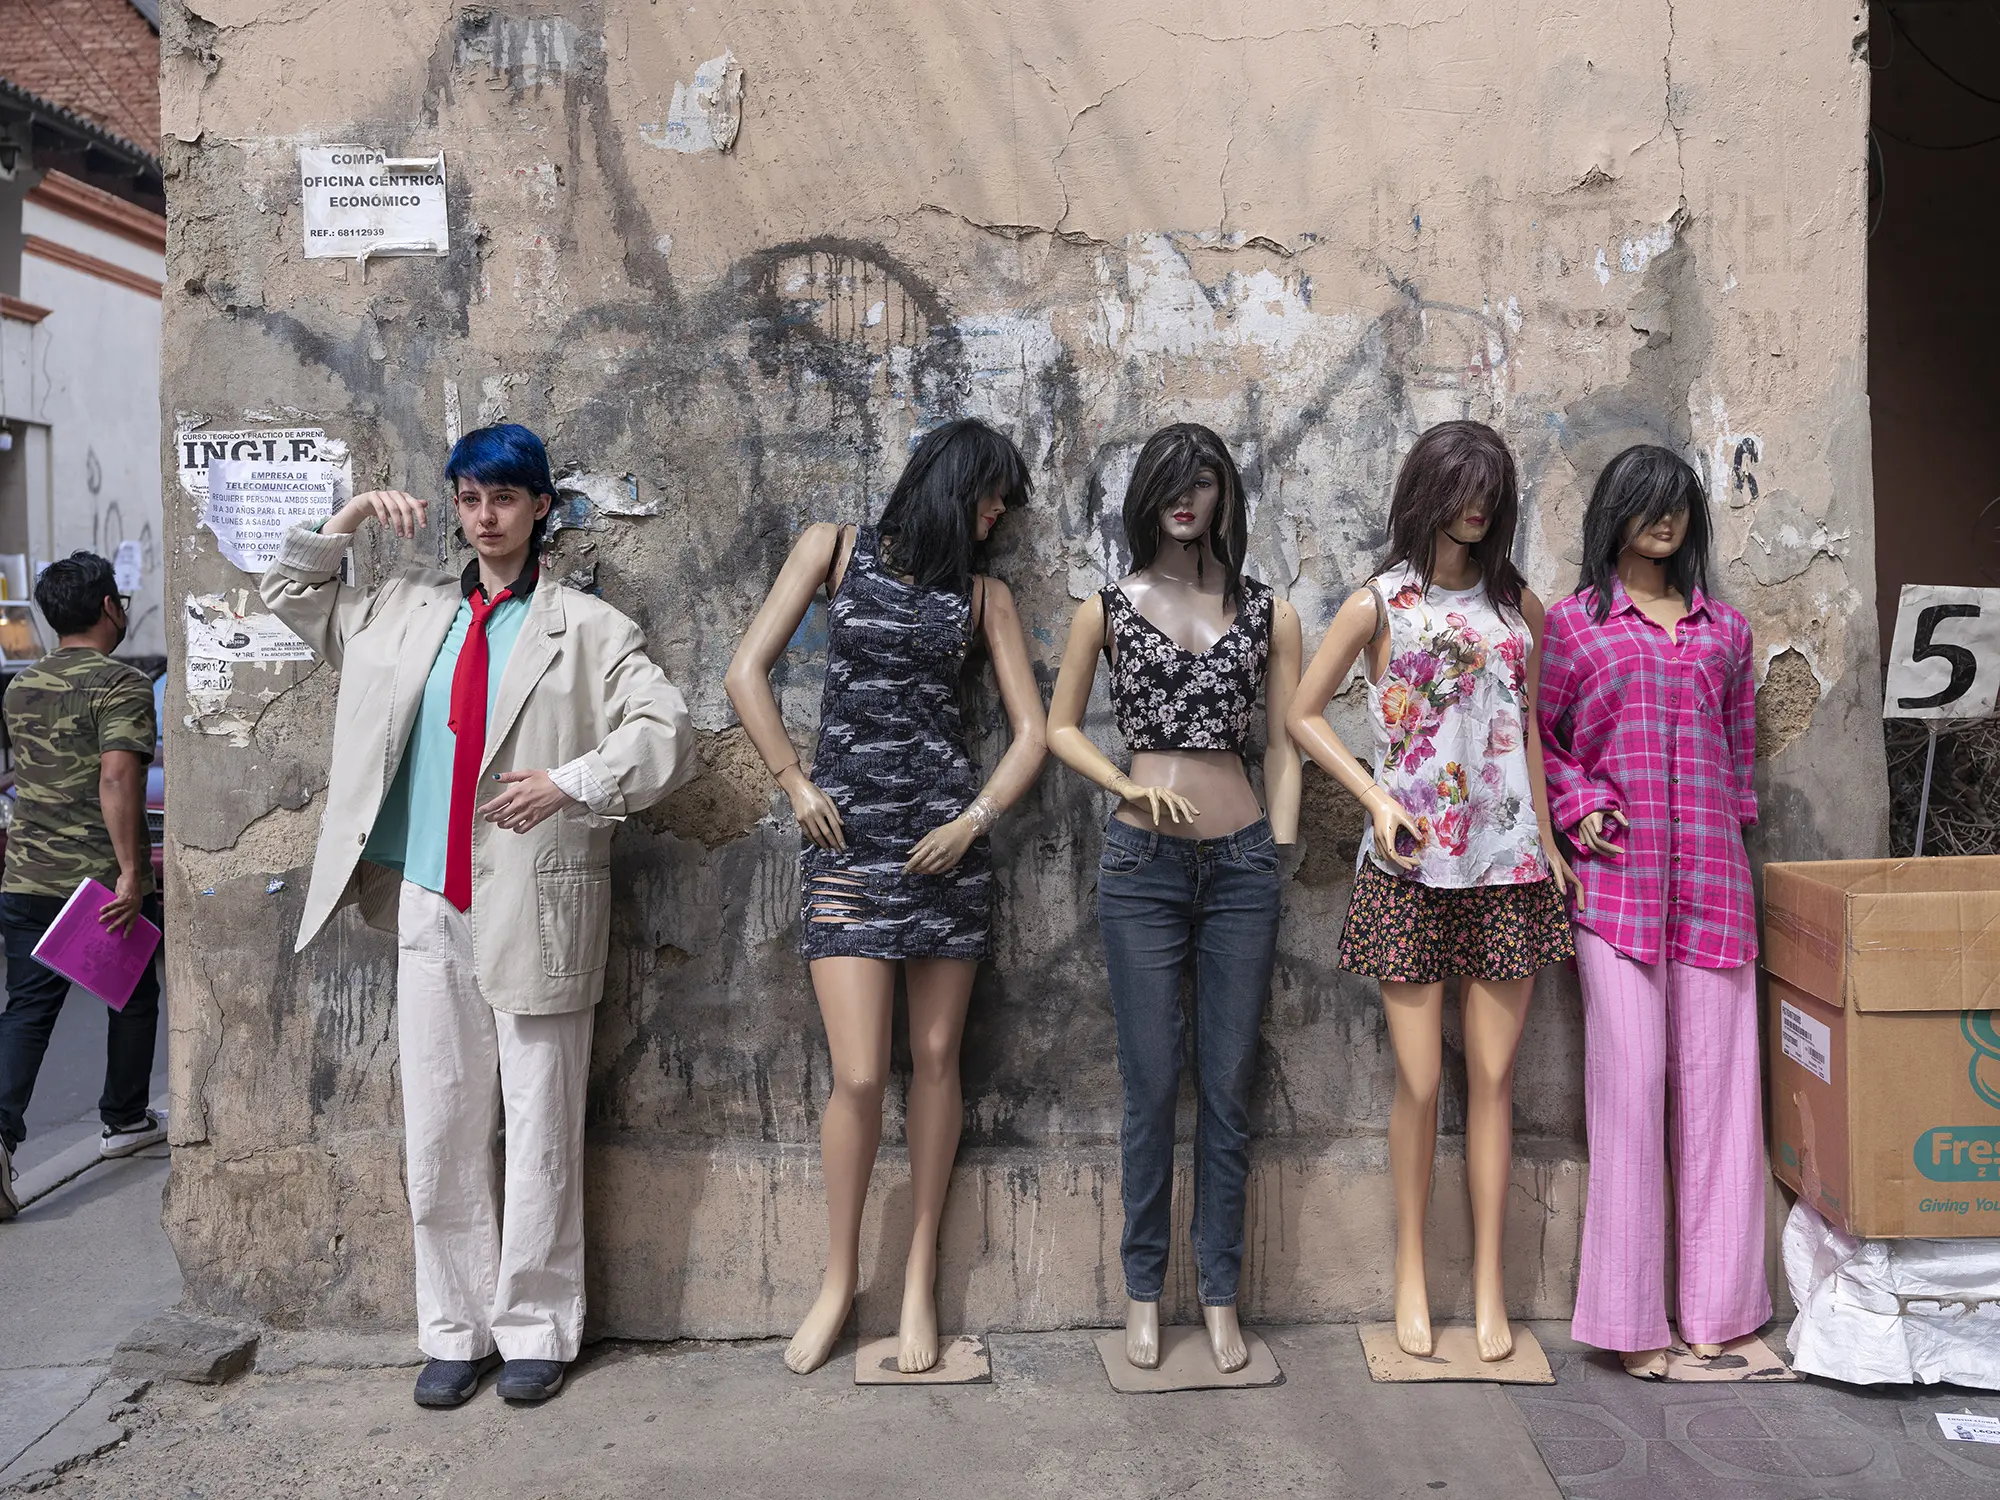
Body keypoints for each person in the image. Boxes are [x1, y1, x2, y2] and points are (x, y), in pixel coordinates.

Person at [261, 423, 696, 1408]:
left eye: (502, 496)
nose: (483, 515)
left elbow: (667, 732)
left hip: (537, 900)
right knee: (442, 1121)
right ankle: (453, 1328)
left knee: (540, 1116)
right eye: (466, 497)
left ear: (540, 505)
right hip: (427, 895)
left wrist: (573, 781)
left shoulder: (582, 628)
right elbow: (291, 597)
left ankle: (536, 1324)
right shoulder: (402, 613)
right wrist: (351, 519)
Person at [725, 417, 1048, 1376]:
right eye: (992, 496)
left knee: (939, 1059)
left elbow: (1030, 732)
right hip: (843, 840)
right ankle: (837, 1283)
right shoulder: (831, 551)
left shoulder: (985, 595)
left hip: (943, 846)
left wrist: (976, 819)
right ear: (953, 482)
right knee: (860, 1074)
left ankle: (917, 1282)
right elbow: (747, 671)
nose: (997, 515)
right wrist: (792, 780)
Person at [1286, 420, 1574, 1362]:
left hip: (1507, 868)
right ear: (1427, 491)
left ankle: (1490, 1287)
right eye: (1460, 487)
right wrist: (1373, 797)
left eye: (1490, 490)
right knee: (1420, 1080)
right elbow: (1301, 715)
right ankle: (1411, 1274)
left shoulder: (1519, 607)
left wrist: (1549, 835)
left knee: (1493, 1083)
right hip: (1410, 866)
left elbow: (1527, 727)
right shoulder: (1379, 604)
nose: (1476, 506)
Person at [1044, 422, 1301, 1373]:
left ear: (1225, 493)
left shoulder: (1268, 611)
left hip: (1238, 869)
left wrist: (1272, 852)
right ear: (1146, 493)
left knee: (1228, 1089)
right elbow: (1060, 728)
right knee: (1152, 1085)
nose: (1188, 498)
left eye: (1205, 482)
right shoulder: (1104, 609)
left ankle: (1223, 1294)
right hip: (1142, 867)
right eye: (1172, 482)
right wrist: (1120, 787)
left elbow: (1283, 744)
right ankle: (1143, 1291)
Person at [1537, 445, 1767, 1378]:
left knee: (1720, 1108)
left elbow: (1741, 765)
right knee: (1629, 1099)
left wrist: (1736, 845)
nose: (1663, 522)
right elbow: (1538, 742)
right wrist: (1577, 801)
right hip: (1617, 896)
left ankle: (1718, 1316)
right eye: (1645, 505)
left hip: (1714, 892)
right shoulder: (1573, 628)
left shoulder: (1727, 633)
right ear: (1614, 514)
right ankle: (1632, 1328)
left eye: (1677, 507)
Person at [0, 553, 162, 1219]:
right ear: (108, 608)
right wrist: (131, 871)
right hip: (92, 885)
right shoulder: (119, 684)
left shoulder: (20, 686)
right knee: (130, 996)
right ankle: (124, 1119)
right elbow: (118, 778)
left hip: (26, 879)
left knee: (29, 1010)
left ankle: (1, 1134)